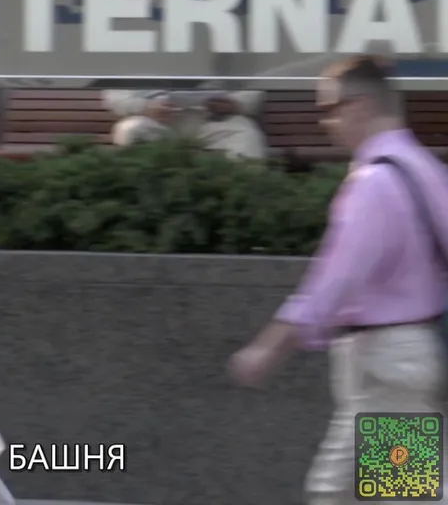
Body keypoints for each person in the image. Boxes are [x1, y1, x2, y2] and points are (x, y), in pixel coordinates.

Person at [228, 55, 448, 505]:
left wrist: (270, 347)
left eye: (329, 109)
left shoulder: (374, 182)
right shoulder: (425, 169)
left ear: (360, 105)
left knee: (336, 491)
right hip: (411, 353)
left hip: (389, 362)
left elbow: (335, 279)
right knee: (396, 494)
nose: (325, 122)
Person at [105, 88, 267, 158]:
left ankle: (240, 199)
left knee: (246, 136)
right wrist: (145, 106)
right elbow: (115, 98)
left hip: (213, 120)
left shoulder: (229, 50)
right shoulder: (137, 52)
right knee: (131, 130)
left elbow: (253, 87)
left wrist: (234, 103)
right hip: (158, 123)